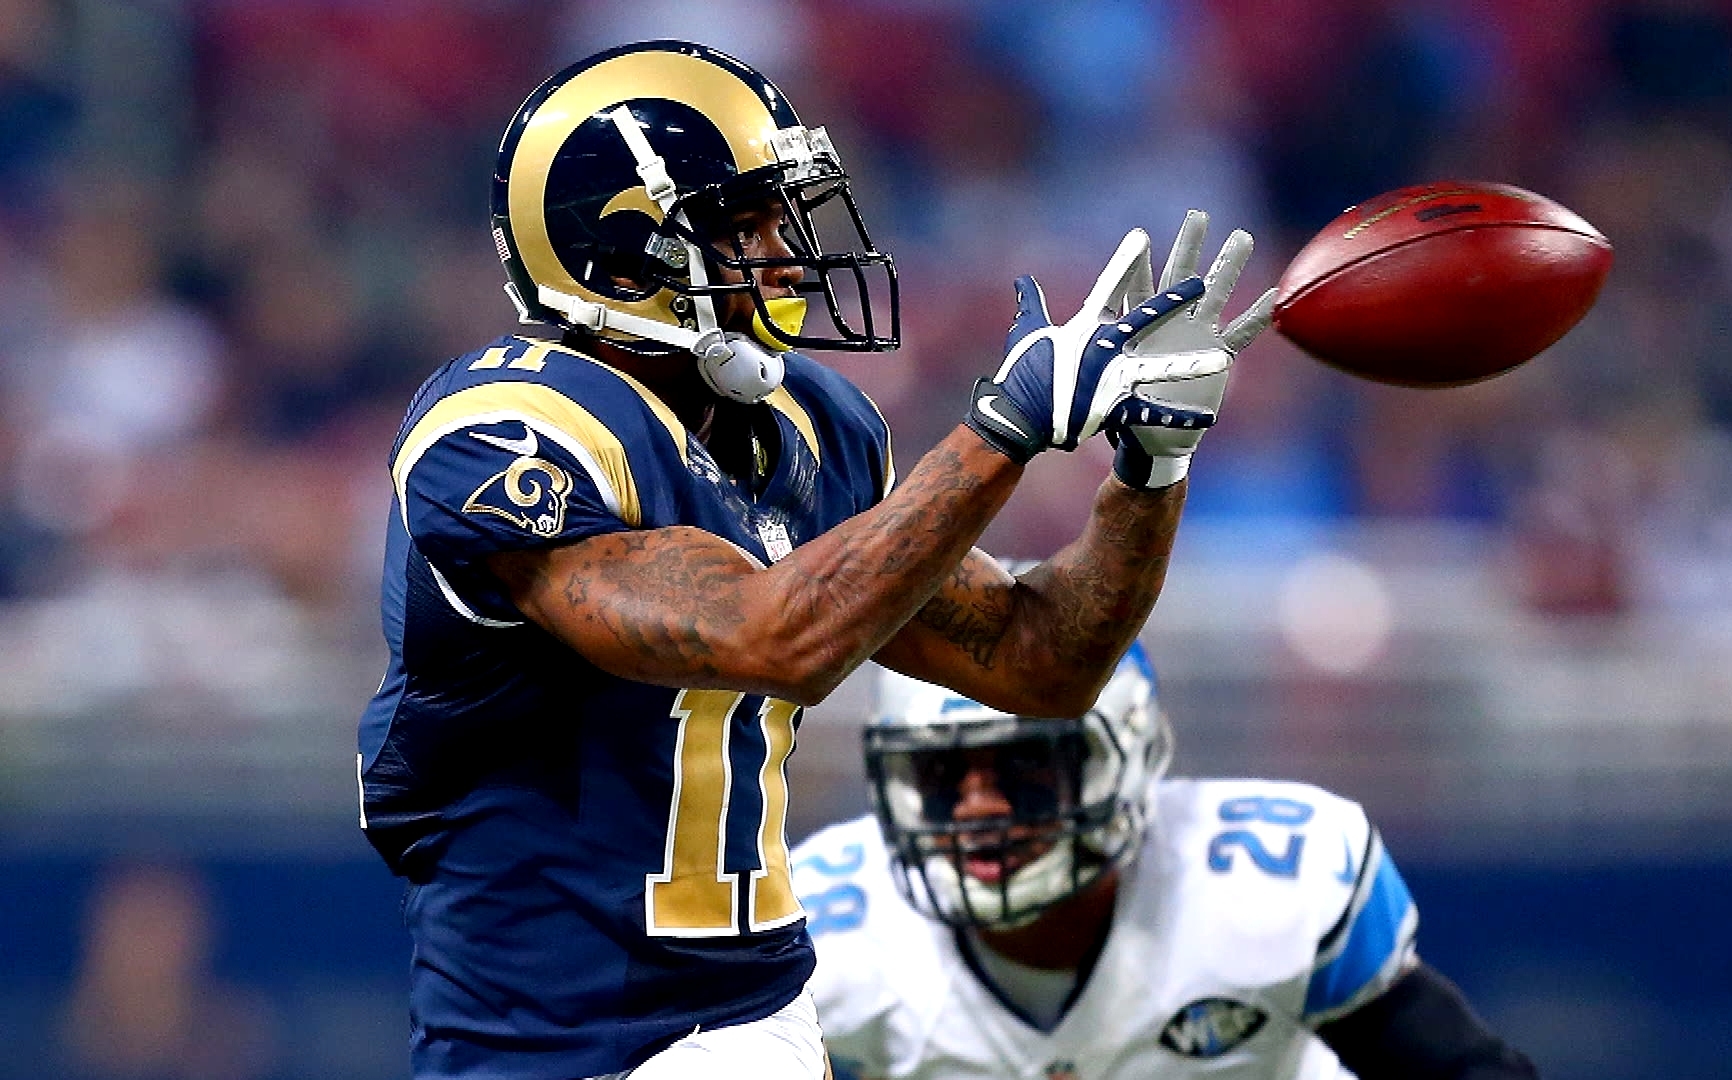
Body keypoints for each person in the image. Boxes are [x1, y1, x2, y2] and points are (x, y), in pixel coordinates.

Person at [355, 40, 1273, 1080]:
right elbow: (769, 636)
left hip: (749, 1019)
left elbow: (1042, 664)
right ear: (621, 260)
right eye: (743, 226)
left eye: (782, 219)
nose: (787, 256)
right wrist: (1001, 432)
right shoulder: (504, 434)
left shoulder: (808, 425)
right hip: (531, 1040)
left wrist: (1151, 472)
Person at [795, 647, 1540, 1080]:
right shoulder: (825, 938)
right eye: (941, 775)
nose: (977, 807)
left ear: (1125, 756)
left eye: (1026, 767)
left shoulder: (1261, 885)